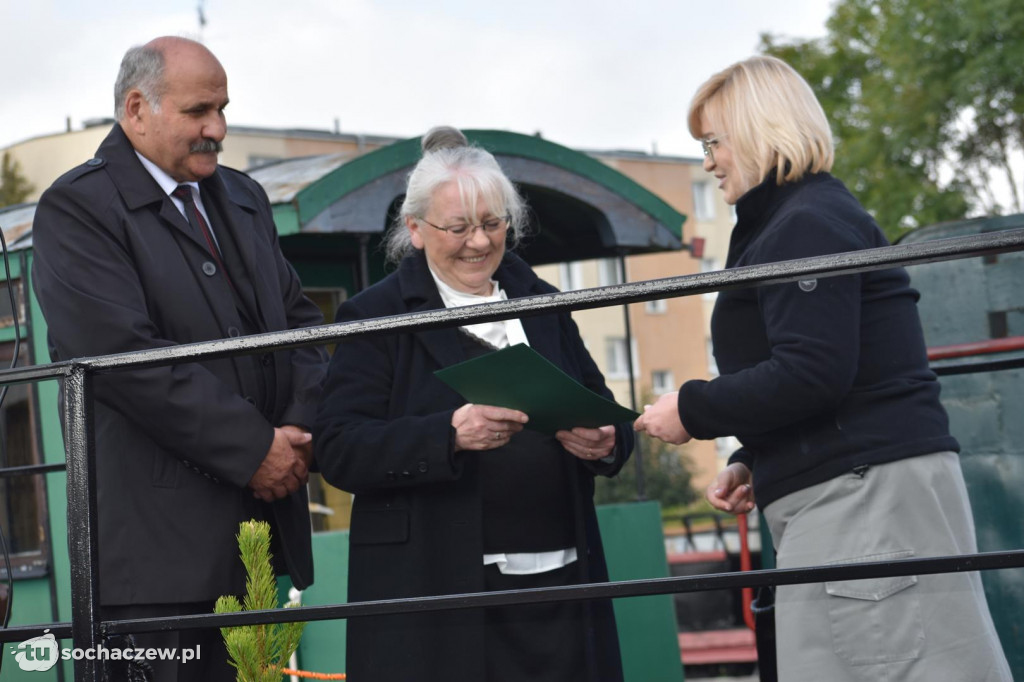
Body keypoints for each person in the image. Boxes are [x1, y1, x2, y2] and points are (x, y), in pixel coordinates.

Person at [635, 56, 1012, 681]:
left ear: (756, 131)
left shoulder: (803, 224)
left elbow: (813, 370)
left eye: (712, 143)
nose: (707, 162)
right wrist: (757, 457)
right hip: (858, 492)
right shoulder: (802, 220)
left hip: (864, 499)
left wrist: (694, 409)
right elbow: (840, 370)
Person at [31, 36, 328, 681]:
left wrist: (299, 432)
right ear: (137, 109)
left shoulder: (243, 199)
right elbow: (124, 359)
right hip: (153, 567)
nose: (216, 129)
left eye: (222, 109)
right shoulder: (76, 208)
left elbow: (300, 325)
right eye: (199, 111)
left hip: (256, 540)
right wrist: (257, 450)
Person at [313, 126, 633, 682]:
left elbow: (602, 407)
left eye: (492, 224)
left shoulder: (543, 302)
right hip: (443, 599)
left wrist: (606, 441)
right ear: (415, 229)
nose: (479, 242)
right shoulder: (377, 315)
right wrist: (449, 435)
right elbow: (339, 449)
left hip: (564, 584)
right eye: (458, 227)